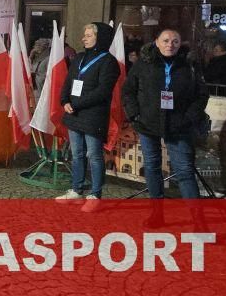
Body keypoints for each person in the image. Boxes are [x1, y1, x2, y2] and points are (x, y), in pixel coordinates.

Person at [122, 29, 209, 201]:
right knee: (152, 166)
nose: (170, 44)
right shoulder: (144, 62)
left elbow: (202, 94)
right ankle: (157, 209)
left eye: (175, 41)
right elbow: (128, 90)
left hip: (179, 125)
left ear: (180, 43)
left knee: (184, 170)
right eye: (166, 40)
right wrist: (134, 114)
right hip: (147, 123)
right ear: (157, 42)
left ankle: (196, 215)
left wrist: (189, 117)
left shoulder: (189, 64)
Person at [55, 23, 121, 211]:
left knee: (94, 155)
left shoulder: (109, 62)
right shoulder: (80, 58)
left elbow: (103, 91)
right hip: (74, 113)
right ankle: (76, 191)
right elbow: (68, 81)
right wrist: (64, 100)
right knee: (77, 154)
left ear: (100, 38)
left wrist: (76, 104)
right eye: (85, 34)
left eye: (89, 35)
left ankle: (95, 195)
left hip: (93, 115)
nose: (84, 38)